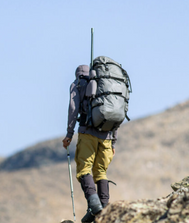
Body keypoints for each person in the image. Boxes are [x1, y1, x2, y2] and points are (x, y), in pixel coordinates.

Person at [63, 64, 117, 223]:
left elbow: (73, 108)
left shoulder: (78, 84)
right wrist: (114, 142)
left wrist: (69, 134)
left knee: (84, 169)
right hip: (107, 134)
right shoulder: (106, 83)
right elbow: (115, 113)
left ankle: (94, 206)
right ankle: (103, 208)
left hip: (87, 132)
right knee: (101, 171)